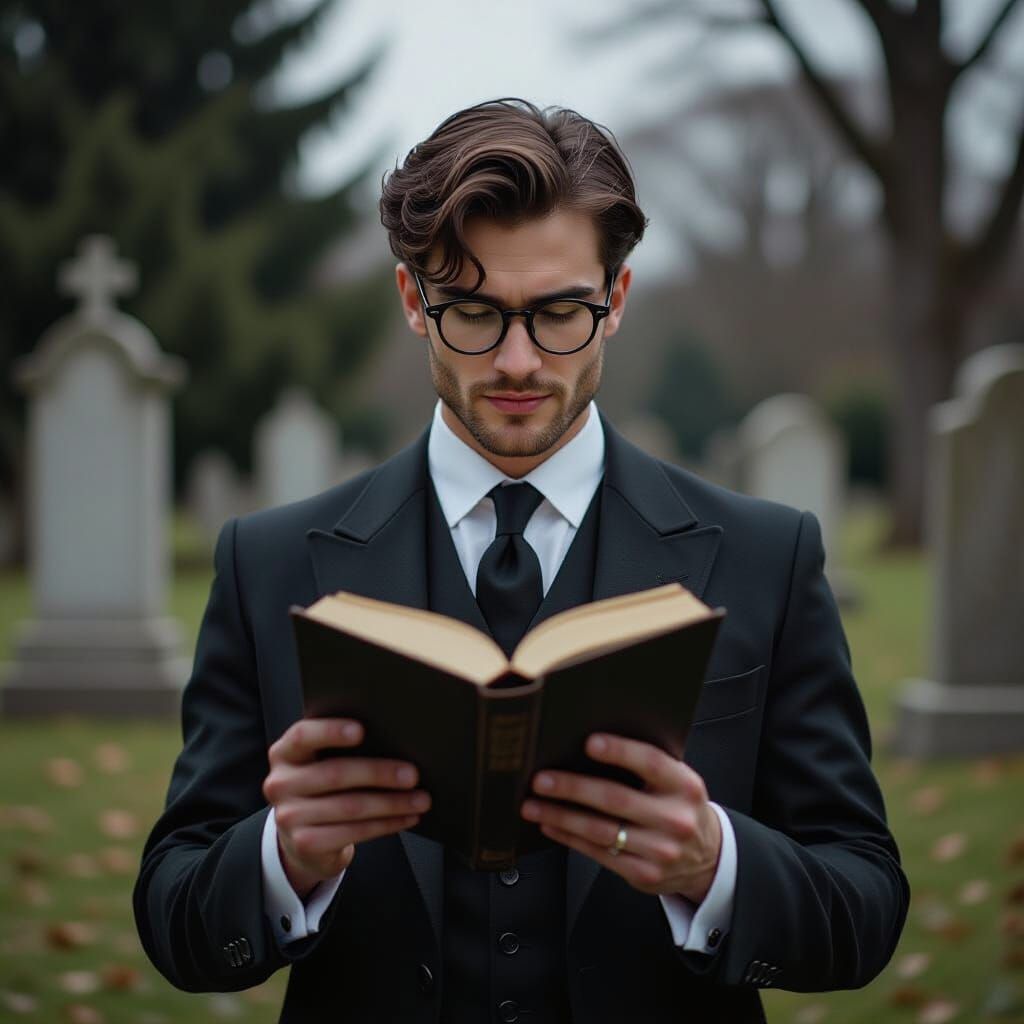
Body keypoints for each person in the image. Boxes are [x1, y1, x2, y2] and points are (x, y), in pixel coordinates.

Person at [134, 98, 909, 1023]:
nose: (516, 361)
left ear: (615, 301)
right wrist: (282, 855)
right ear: (412, 302)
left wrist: (715, 863)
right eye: (472, 311)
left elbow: (864, 905)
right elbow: (174, 916)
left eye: (559, 313)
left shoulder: (766, 555)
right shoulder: (265, 562)